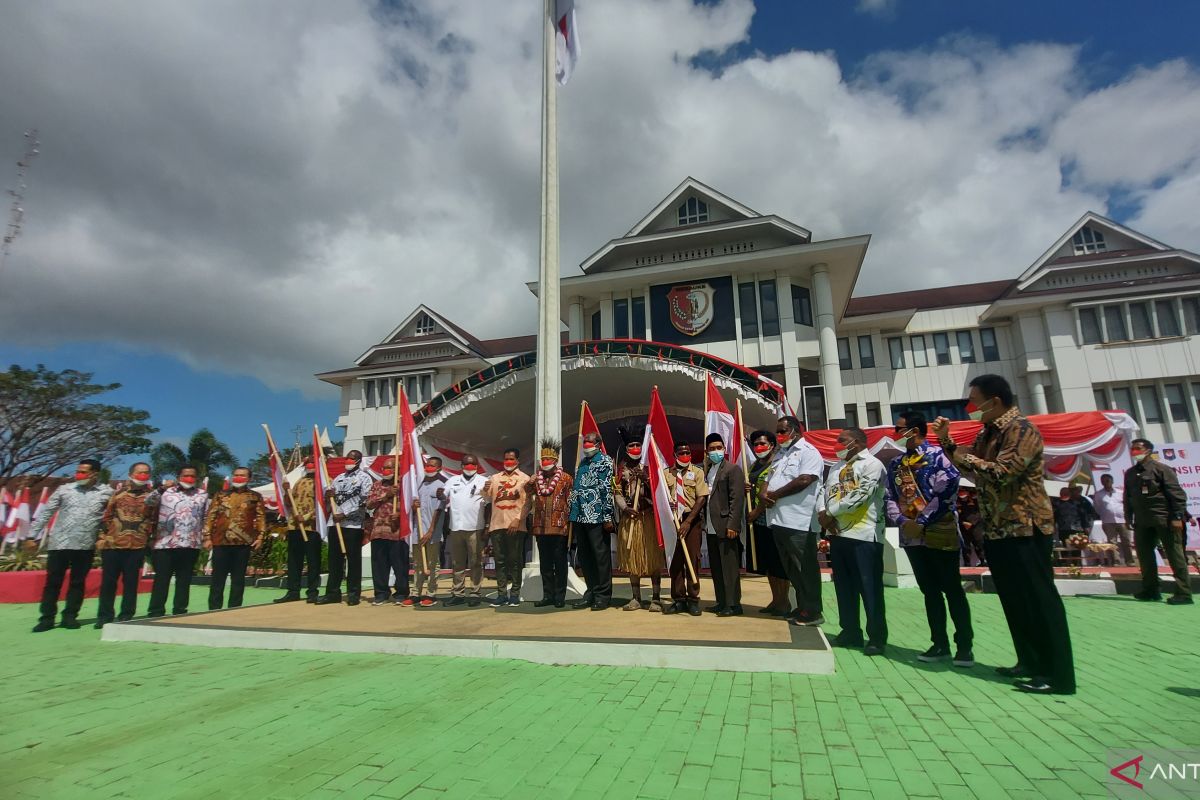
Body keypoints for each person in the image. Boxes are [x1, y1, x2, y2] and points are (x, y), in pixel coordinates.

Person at [933, 373, 1075, 694]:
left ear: (994, 401)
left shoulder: (1021, 430)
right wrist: (948, 442)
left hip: (1025, 526)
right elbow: (970, 469)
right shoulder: (990, 432)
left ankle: (1057, 674)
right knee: (1014, 600)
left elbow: (1002, 471)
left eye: (974, 401)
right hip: (998, 529)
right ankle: (1029, 661)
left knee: (1039, 600)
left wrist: (964, 454)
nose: (970, 408)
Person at [886, 412, 973, 666]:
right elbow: (889, 495)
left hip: (938, 530)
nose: (896, 433)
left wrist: (921, 521)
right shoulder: (896, 464)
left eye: (899, 428)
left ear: (914, 430)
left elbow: (947, 490)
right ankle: (939, 643)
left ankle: (964, 646)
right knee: (929, 590)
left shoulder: (938, 457)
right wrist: (903, 522)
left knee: (952, 589)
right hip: (912, 536)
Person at [821, 427, 888, 655]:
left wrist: (830, 512)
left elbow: (861, 495)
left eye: (842, 441)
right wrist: (823, 512)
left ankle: (876, 637)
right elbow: (825, 491)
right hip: (838, 534)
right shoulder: (836, 467)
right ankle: (850, 631)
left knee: (869, 587)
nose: (837, 444)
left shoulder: (873, 464)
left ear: (857, 442)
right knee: (844, 587)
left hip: (865, 535)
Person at [31, 458, 114, 632]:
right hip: (59, 543)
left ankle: (70, 616)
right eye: (78, 471)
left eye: (84, 472)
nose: (79, 474)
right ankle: (46, 618)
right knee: (53, 582)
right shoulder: (65, 490)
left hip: (85, 545)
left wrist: (106, 537)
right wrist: (32, 536)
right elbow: (47, 512)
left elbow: (111, 518)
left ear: (95, 474)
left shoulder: (106, 492)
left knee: (77, 582)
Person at [762, 416, 826, 627]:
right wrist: (765, 493)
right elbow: (768, 478)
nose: (779, 435)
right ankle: (802, 606)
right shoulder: (781, 454)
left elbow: (805, 480)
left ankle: (814, 611)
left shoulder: (809, 452)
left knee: (804, 567)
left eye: (782, 431)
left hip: (799, 521)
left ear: (795, 431)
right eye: (778, 431)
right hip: (779, 520)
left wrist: (776, 495)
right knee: (791, 568)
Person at [1124, 439, 1193, 605]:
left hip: (1164, 518)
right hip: (1142, 520)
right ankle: (1151, 590)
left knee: (1174, 556)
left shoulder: (1161, 469)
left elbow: (1177, 495)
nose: (1134, 451)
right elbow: (1128, 497)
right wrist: (1128, 516)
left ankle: (1183, 593)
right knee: (1145, 556)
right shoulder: (1131, 472)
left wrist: (1177, 517)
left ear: (1148, 450)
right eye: (1132, 448)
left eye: (1138, 448)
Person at [95, 463, 160, 627]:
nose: (143, 475)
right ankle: (104, 616)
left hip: (137, 545)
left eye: (146, 473)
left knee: (131, 583)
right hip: (113, 544)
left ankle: (127, 615)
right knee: (109, 583)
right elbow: (106, 517)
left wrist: (150, 539)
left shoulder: (152, 496)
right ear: (131, 474)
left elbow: (155, 519)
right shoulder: (117, 493)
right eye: (140, 472)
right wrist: (102, 537)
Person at [147, 466, 209, 617]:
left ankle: (180, 610)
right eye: (185, 475)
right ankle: (156, 610)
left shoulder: (202, 495)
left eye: (192, 476)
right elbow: (148, 502)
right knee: (162, 579)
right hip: (165, 543)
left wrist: (207, 537)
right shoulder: (166, 492)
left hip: (190, 543)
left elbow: (206, 517)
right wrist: (161, 488)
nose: (189, 478)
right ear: (178, 476)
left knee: (184, 580)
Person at [613, 431, 664, 611]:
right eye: (631, 446)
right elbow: (617, 492)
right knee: (632, 558)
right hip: (630, 518)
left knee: (652, 559)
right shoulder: (621, 468)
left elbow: (661, 490)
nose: (635, 448)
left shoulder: (650, 465)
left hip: (648, 517)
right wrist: (625, 509)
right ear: (626, 449)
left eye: (637, 445)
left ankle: (656, 598)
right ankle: (636, 598)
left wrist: (647, 480)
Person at [203, 466, 266, 610]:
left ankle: (234, 608)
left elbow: (261, 517)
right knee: (217, 578)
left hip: (243, 543)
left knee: (238, 579)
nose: (238, 478)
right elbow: (210, 516)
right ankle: (214, 608)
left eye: (242, 475)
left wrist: (260, 537)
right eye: (236, 475)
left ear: (249, 478)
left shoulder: (255, 497)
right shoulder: (220, 495)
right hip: (220, 542)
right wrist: (207, 537)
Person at [318, 450, 373, 606]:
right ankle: (332, 593)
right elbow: (330, 499)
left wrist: (345, 514)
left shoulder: (364, 478)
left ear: (358, 460)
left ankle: (353, 593)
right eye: (347, 458)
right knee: (334, 560)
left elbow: (364, 500)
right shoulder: (339, 478)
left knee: (353, 560)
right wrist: (328, 495)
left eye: (352, 458)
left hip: (353, 525)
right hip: (335, 523)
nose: (348, 460)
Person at [568, 432, 616, 611]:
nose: (586, 444)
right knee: (585, 557)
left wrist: (607, 516)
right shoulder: (582, 462)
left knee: (600, 556)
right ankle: (591, 592)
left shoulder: (604, 461)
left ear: (598, 444)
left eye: (589, 442)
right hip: (580, 516)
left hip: (596, 515)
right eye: (584, 442)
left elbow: (606, 490)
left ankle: (603, 595)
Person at [745, 431, 791, 615]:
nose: (759, 447)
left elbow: (771, 494)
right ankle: (775, 600)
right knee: (768, 564)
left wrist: (756, 512)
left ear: (772, 445)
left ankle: (784, 602)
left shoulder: (777, 464)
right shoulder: (755, 465)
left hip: (773, 519)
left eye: (763, 443)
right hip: (758, 522)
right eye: (756, 444)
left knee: (778, 563)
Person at [662, 442, 709, 616]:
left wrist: (688, 522)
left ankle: (693, 599)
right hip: (672, 521)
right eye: (681, 452)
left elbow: (701, 498)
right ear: (674, 455)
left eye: (687, 452)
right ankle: (679, 599)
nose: (685, 455)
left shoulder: (697, 472)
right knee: (675, 561)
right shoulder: (666, 473)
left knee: (692, 560)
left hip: (691, 519)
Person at [703, 433, 746, 617]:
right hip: (711, 526)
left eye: (718, 447)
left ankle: (734, 604)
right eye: (712, 449)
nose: (715, 451)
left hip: (725, 524)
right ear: (707, 451)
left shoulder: (732, 469)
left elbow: (736, 500)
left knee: (729, 567)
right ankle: (721, 601)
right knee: (717, 567)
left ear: (724, 449)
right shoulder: (709, 470)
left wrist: (733, 524)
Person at [482, 449, 529, 607]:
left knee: (515, 561)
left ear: (517, 460)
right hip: (497, 525)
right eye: (506, 459)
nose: (508, 462)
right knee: (500, 561)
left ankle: (515, 594)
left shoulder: (524, 479)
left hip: (515, 525)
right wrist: (484, 488)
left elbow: (528, 503)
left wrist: (518, 520)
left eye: (511, 459)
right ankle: (502, 594)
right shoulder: (495, 478)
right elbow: (486, 497)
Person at [529, 439, 573, 608]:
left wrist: (570, 525)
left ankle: (560, 596)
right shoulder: (537, 479)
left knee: (560, 563)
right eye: (543, 459)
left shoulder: (566, 478)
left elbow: (571, 501)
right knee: (545, 564)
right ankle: (547, 595)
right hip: (540, 528)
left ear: (555, 461)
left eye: (549, 460)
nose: (545, 462)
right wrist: (530, 482)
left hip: (559, 528)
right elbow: (525, 493)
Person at [274, 458, 322, 604]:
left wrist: (307, 517)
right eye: (307, 463)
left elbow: (322, 506)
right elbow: (289, 503)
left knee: (313, 560)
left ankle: (312, 591)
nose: (309, 465)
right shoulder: (299, 481)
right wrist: (286, 491)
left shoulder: (323, 482)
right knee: (294, 560)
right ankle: (293, 591)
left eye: (312, 462)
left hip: (312, 527)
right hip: (295, 526)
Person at [442, 455, 488, 607]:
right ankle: (458, 593)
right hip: (456, 527)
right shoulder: (453, 480)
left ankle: (475, 592)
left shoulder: (483, 481)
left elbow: (488, 504)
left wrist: (487, 527)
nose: (469, 466)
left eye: (473, 464)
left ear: (477, 465)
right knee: (457, 563)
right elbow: (443, 494)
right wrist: (440, 495)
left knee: (476, 562)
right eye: (467, 464)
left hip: (475, 527)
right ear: (461, 465)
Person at [365, 462, 408, 606]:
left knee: (399, 564)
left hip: (396, 531)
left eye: (390, 467)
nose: (386, 470)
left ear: (397, 469)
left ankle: (401, 592)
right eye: (384, 468)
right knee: (379, 564)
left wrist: (400, 513)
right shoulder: (377, 485)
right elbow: (369, 504)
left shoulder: (404, 484)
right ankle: (381, 593)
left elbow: (411, 505)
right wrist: (386, 495)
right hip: (378, 530)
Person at [411, 456, 448, 607]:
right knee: (418, 564)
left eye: (433, 466)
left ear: (439, 468)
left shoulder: (442, 486)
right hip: (417, 530)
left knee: (433, 563)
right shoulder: (419, 485)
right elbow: (414, 509)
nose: (429, 468)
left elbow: (439, 510)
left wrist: (430, 530)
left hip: (433, 532)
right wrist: (414, 506)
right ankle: (415, 593)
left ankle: (431, 593)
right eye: (428, 465)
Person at [1092, 473, 1134, 566]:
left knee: (1126, 541)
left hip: (1122, 520)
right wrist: (1105, 513)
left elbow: (1127, 504)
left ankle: (1130, 561)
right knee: (1112, 542)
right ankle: (1116, 561)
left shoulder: (1120, 492)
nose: (1105, 483)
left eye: (1107, 480)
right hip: (1108, 521)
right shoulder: (1099, 494)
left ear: (1112, 481)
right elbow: (1097, 507)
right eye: (1103, 481)